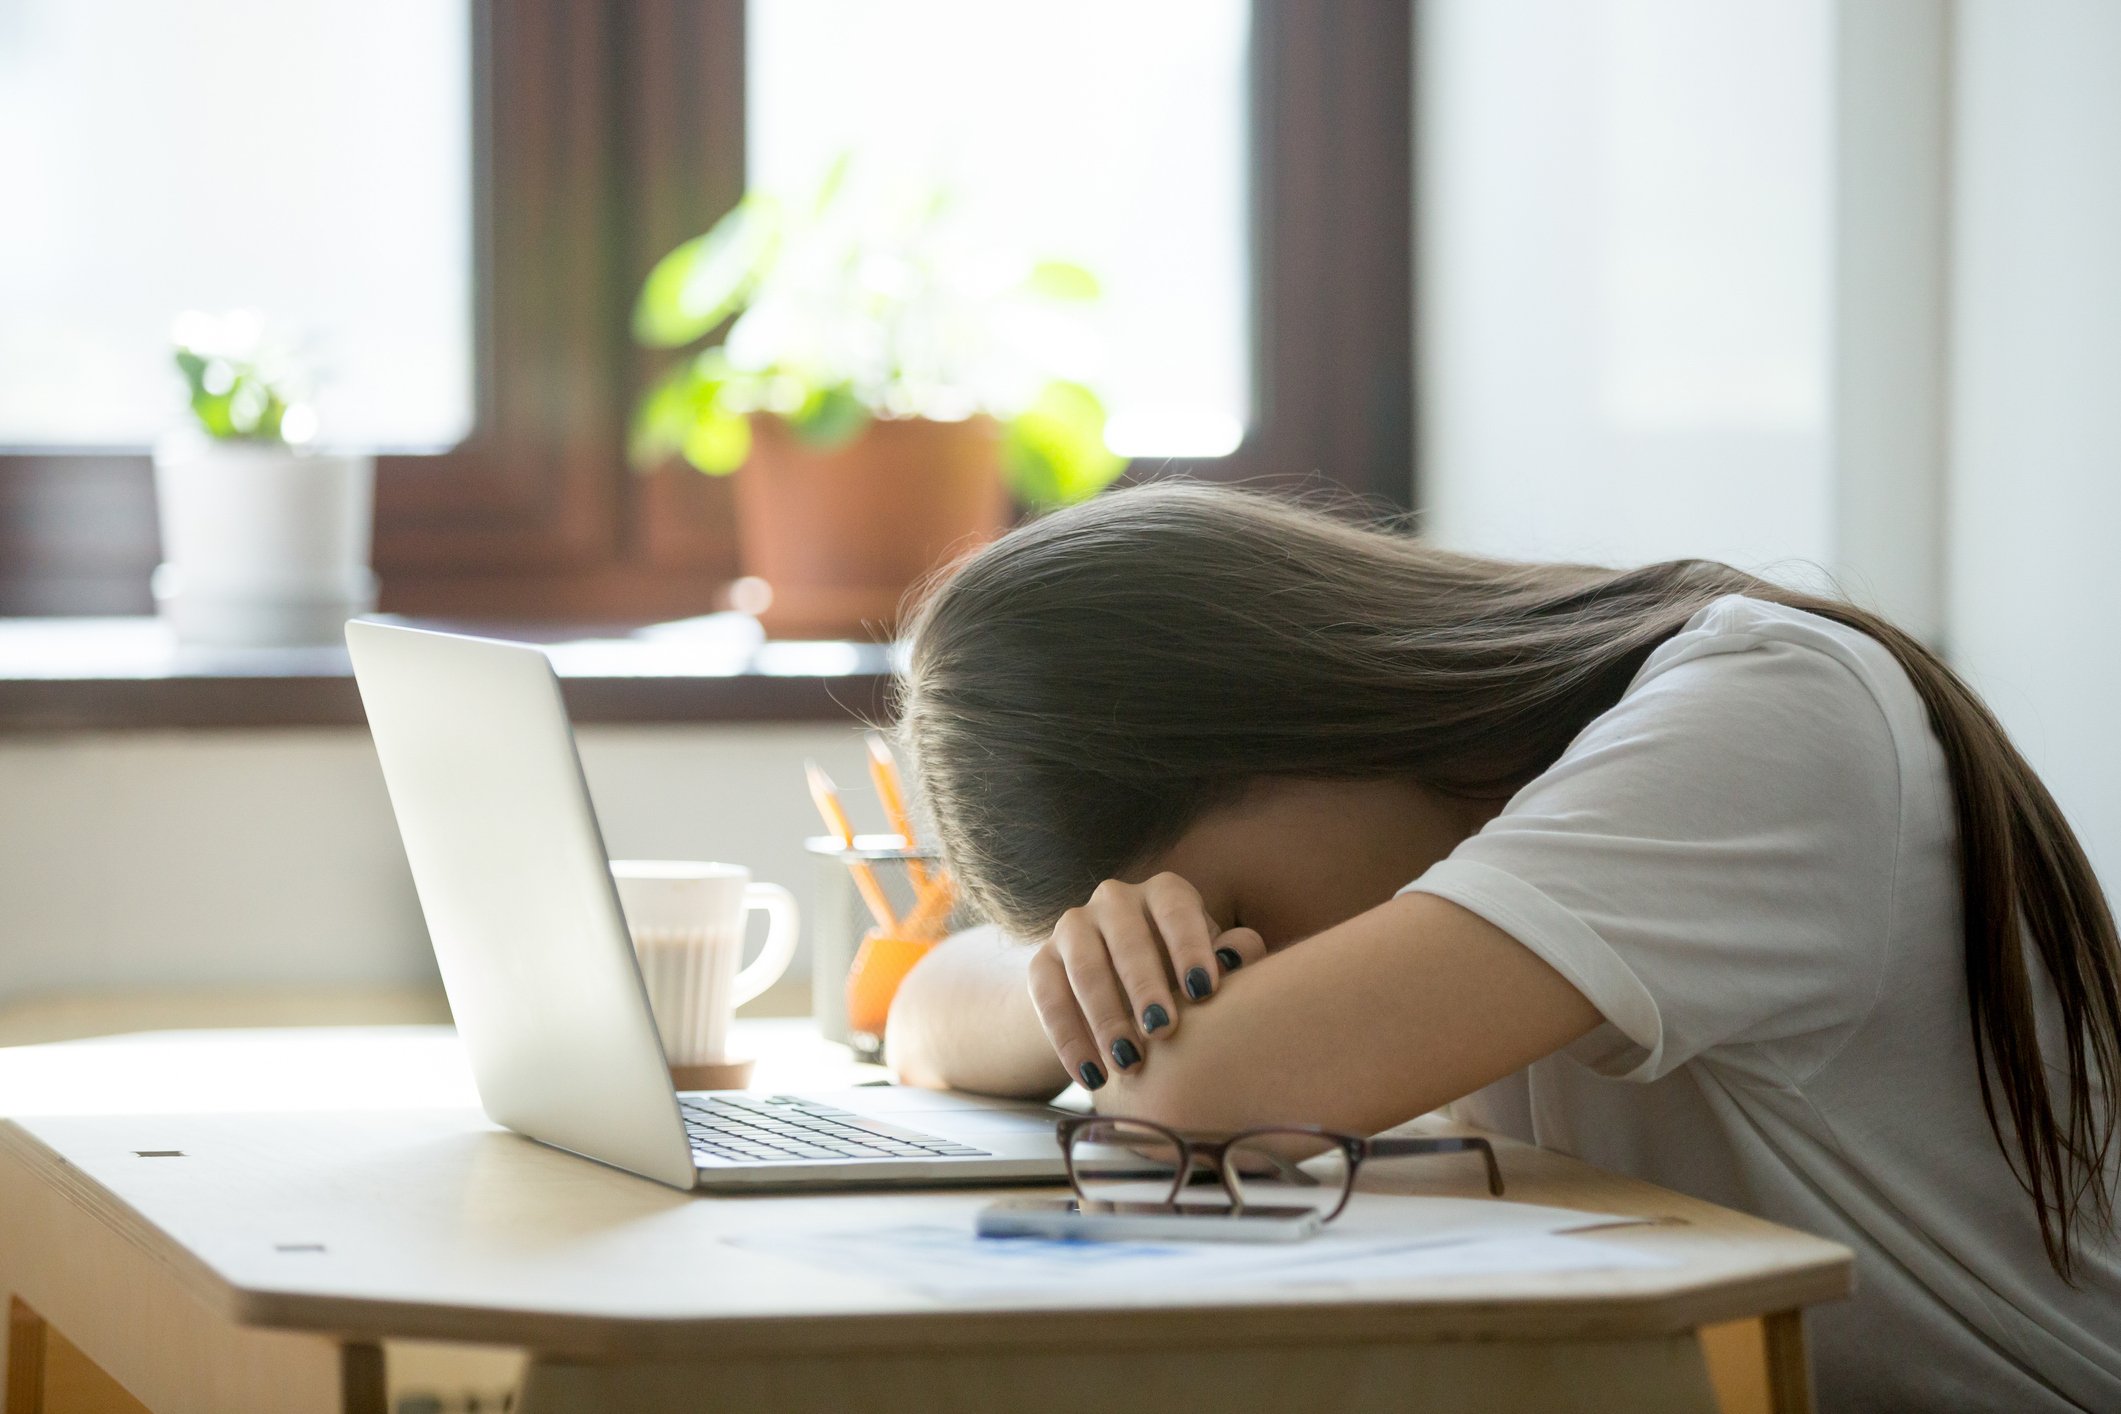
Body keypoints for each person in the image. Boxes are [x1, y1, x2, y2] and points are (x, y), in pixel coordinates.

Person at [883, 482, 2121, 1412]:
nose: (1248, 966)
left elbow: (1202, 1090)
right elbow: (919, 1010)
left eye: (1224, 912)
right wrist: (1076, 977)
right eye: (1197, 951)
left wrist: (1149, 1022)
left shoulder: (1764, 710)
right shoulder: (1492, 838)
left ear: (1289, 716)